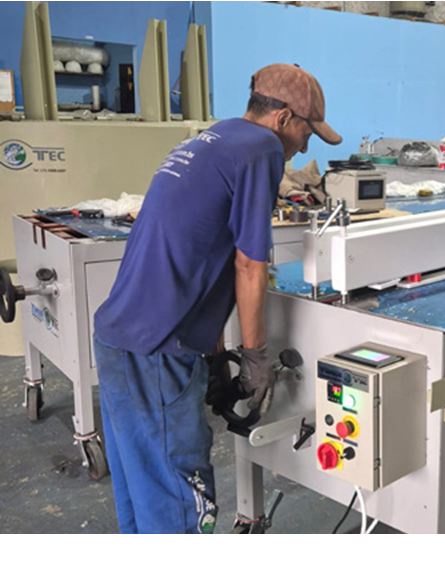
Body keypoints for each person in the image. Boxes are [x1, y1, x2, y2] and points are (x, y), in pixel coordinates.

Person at [92, 63, 341, 533]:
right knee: (181, 503)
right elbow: (249, 265)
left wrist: (215, 354)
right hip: (159, 348)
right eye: (307, 132)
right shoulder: (262, 148)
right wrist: (255, 356)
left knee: (144, 491)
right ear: (283, 118)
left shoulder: (215, 138)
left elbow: (203, 257)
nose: (305, 147)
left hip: (119, 337)